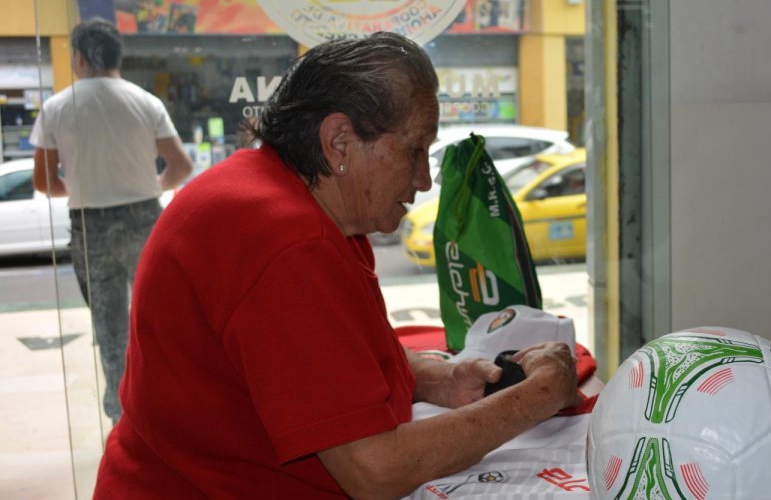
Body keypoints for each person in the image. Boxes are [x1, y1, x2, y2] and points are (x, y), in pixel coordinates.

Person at [94, 32, 580, 498]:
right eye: (414, 150)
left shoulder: (293, 200)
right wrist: (538, 396)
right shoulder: (286, 241)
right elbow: (375, 472)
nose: (424, 179)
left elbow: (317, 366)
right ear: (340, 141)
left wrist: (435, 377)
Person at [30, 18, 193, 423]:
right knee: (157, 322)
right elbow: (181, 166)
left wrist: (86, 187)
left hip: (90, 226)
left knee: (110, 329)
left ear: (81, 58)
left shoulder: (57, 107)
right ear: (117, 55)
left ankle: (125, 419)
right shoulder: (144, 101)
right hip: (143, 218)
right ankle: (167, 408)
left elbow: (43, 180)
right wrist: (149, 184)